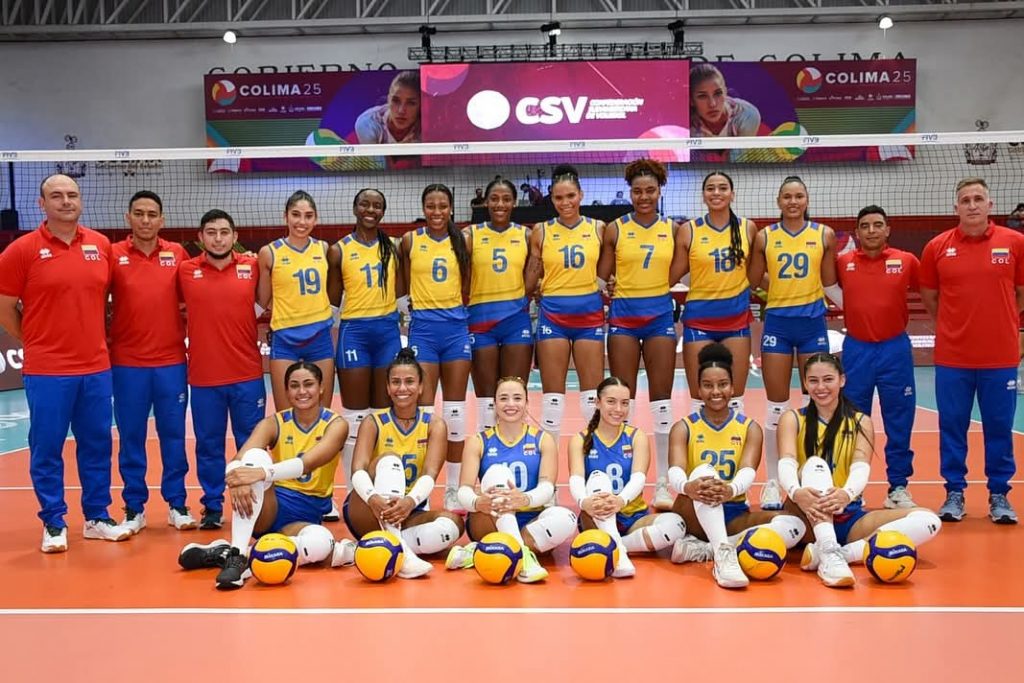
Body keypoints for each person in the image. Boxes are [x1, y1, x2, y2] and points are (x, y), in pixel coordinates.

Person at [0, 174, 130, 552]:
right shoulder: (21, 250)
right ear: (42, 204)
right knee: (46, 447)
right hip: (47, 371)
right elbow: (4, 306)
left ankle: (96, 517)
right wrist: (33, 340)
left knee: (97, 445)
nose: (66, 201)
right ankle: (54, 522)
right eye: (56, 196)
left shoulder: (100, 245)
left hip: (95, 368)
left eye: (72, 194)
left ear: (81, 200)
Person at [176, 362, 353, 590]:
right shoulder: (273, 423)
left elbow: (307, 463)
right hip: (269, 506)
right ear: (286, 391)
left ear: (321, 388)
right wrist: (238, 479)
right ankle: (238, 558)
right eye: (294, 386)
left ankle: (229, 553)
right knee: (255, 456)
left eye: (308, 384)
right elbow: (238, 460)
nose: (301, 391)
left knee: (322, 543)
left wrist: (258, 473)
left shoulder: (336, 424)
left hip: (306, 514)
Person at [777, 353, 942, 588]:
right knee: (815, 464)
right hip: (806, 512)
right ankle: (829, 555)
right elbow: (786, 462)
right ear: (804, 383)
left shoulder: (860, 421)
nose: (821, 387)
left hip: (847, 513)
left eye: (828, 379)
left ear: (842, 380)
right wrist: (796, 492)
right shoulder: (792, 418)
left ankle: (842, 554)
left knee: (929, 520)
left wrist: (846, 494)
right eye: (813, 381)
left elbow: (860, 467)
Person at [920, 178, 1024, 524]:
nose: (972, 205)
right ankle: (954, 492)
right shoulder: (937, 247)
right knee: (952, 426)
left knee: (999, 427)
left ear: (990, 205)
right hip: (953, 358)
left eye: (978, 198)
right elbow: (930, 297)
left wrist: (1002, 320)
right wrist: (954, 325)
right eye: (965, 200)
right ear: (956, 208)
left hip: (1000, 357)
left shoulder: (1015, 243)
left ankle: (999, 495)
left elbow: (1020, 292)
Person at [667, 343, 806, 588]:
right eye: (708, 385)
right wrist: (689, 487)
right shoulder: (684, 427)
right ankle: (724, 558)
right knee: (705, 473)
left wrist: (730, 490)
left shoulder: (749, 428)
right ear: (698, 389)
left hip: (733, 510)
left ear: (733, 388)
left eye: (722, 384)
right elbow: (675, 470)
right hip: (692, 509)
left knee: (794, 525)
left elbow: (748, 470)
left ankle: (711, 548)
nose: (715, 391)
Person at [747, 176, 842, 510]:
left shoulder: (824, 234)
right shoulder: (765, 236)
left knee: (818, 401)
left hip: (812, 323)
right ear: (779, 201)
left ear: (806, 200)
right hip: (778, 323)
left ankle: (815, 475)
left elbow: (829, 281)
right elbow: (753, 279)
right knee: (776, 406)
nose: (793, 202)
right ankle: (774, 482)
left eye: (798, 196)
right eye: (787, 196)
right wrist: (775, 287)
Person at [597, 159, 685, 511]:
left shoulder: (674, 229)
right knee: (623, 400)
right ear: (629, 193)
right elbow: (602, 277)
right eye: (638, 191)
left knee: (662, 401)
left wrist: (656, 289)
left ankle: (662, 482)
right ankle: (624, 481)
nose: (644, 197)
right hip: (624, 318)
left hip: (659, 317)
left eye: (650, 190)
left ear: (660, 191)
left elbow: (680, 271)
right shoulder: (615, 229)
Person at [109, 190, 194, 533]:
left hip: (171, 363)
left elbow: (199, 287)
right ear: (128, 217)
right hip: (127, 364)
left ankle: (177, 503)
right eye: (139, 213)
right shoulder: (112, 254)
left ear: (162, 219)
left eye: (152, 214)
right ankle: (134, 508)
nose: (145, 220)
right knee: (131, 437)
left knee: (174, 435)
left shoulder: (178, 254)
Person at [178, 209, 266, 530]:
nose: (218, 238)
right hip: (204, 377)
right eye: (211, 233)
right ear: (201, 237)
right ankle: (212, 506)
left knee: (251, 444)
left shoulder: (252, 266)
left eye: (224, 232)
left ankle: (257, 505)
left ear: (235, 236)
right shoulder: (185, 270)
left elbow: (264, 301)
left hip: (247, 375)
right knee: (209, 445)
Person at [344, 348, 465, 578]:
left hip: (409, 509)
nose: (402, 388)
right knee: (390, 459)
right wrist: (373, 498)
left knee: (453, 524)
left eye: (409, 382)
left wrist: (410, 502)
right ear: (387, 388)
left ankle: (383, 547)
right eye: (396, 382)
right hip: (368, 508)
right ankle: (405, 555)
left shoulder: (434, 425)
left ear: (420, 387)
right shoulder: (373, 422)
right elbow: (357, 470)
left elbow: (430, 474)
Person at [446, 377, 577, 582]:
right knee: (498, 472)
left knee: (567, 518)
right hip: (488, 518)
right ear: (494, 403)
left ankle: (481, 552)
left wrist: (523, 499)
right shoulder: (478, 441)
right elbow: (464, 490)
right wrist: (477, 502)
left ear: (527, 402)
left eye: (517, 398)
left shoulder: (543, 439)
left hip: (530, 520)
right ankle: (523, 557)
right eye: (504, 398)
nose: (510, 404)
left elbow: (547, 487)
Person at [837, 206, 920, 509]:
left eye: (877, 225)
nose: (871, 230)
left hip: (894, 350)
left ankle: (898, 487)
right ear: (857, 233)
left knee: (899, 419)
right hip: (857, 349)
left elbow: (932, 292)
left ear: (888, 230)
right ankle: (852, 489)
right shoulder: (843, 262)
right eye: (865, 226)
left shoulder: (907, 261)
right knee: (853, 421)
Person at [568, 377, 688, 578]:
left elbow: (639, 478)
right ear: (597, 403)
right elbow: (576, 480)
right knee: (598, 478)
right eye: (611, 402)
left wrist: (620, 501)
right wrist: (584, 502)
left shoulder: (636, 436)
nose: (619, 409)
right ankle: (621, 553)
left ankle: (616, 546)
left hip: (633, 517)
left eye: (624, 403)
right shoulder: (580, 439)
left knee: (677, 525)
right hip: (596, 514)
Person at [400, 184, 472, 512]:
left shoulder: (463, 240)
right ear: (423, 208)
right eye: (431, 206)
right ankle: (422, 490)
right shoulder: (410, 240)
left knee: (455, 413)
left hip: (455, 330)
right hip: (424, 331)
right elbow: (402, 282)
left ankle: (454, 488)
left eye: (443, 206)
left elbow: (468, 281)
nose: (437, 212)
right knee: (424, 415)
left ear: (451, 208)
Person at [678, 171, 757, 464]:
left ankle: (735, 468)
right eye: (710, 188)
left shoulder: (748, 228)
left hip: (736, 321)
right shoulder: (689, 230)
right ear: (703, 195)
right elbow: (674, 273)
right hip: (699, 320)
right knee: (700, 396)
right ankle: (699, 467)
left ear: (732, 194)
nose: (716, 193)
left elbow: (757, 273)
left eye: (723, 188)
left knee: (733, 397)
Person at [327, 188, 403, 487]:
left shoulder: (394, 247)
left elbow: (403, 295)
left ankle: (382, 484)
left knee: (384, 415)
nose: (371, 210)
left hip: (387, 333)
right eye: (365, 204)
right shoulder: (339, 250)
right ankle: (353, 488)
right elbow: (333, 303)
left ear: (383, 211)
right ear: (355, 207)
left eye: (377, 205)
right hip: (354, 334)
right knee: (355, 418)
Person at [527, 164, 607, 447]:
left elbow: (609, 269)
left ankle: (593, 459)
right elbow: (533, 273)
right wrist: (529, 291)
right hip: (553, 316)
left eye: (571, 196)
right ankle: (549, 469)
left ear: (581, 195)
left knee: (592, 398)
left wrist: (611, 283)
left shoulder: (598, 228)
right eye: (559, 198)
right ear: (551, 198)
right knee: (552, 400)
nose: (565, 202)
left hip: (589, 316)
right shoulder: (541, 231)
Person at [465, 178, 535, 432]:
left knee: (514, 393)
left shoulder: (526, 235)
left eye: (506, 199)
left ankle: (515, 444)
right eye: (494, 199)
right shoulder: (470, 235)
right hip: (480, 320)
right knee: (487, 399)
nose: (500, 204)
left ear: (514, 202)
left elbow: (534, 274)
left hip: (515, 320)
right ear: (486, 202)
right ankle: (486, 448)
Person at [257, 191, 334, 413]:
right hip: (285, 338)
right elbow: (263, 300)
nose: (302, 222)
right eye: (296, 214)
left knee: (322, 413)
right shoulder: (269, 253)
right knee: (285, 415)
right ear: (285, 217)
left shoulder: (324, 249)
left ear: (316, 219)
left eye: (308, 216)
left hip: (320, 336)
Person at [689, 64, 761, 139]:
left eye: (718, 93)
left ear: (725, 92)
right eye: (702, 96)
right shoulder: (686, 121)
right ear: (691, 100)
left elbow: (741, 147)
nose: (712, 104)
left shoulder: (746, 114)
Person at [354, 70, 420, 145]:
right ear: (388, 99)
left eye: (411, 103)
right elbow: (374, 153)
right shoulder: (368, 122)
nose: (401, 111)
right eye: (395, 101)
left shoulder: (427, 124)